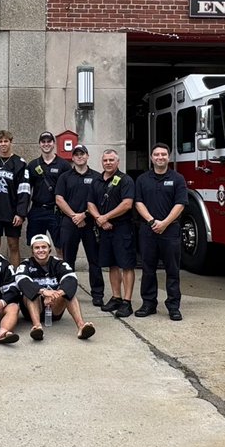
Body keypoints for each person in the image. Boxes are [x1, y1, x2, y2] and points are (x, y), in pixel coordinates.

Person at [134, 142, 188, 321]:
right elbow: (138, 202)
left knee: (172, 270)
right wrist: (151, 221)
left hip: (170, 230)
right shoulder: (142, 179)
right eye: (156, 155)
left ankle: (173, 306)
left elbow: (180, 204)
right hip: (148, 231)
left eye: (163, 155)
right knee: (148, 269)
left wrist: (165, 223)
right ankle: (148, 304)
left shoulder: (178, 178)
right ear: (151, 158)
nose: (160, 158)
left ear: (169, 157)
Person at [14, 234, 95, 340]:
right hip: (32, 309)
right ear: (32, 251)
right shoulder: (25, 264)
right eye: (37, 248)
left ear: (49, 249)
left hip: (54, 307)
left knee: (70, 295)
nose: (41, 250)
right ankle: (37, 327)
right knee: (29, 295)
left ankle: (81, 326)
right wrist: (42, 291)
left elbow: (71, 279)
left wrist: (57, 294)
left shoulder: (59, 263)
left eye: (44, 247)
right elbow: (21, 281)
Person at [88, 148, 137, 317]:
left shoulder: (126, 180)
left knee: (127, 265)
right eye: (105, 160)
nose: (108, 163)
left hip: (122, 228)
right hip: (104, 229)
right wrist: (99, 218)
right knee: (112, 265)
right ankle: (116, 297)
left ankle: (127, 301)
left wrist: (105, 217)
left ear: (118, 162)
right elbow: (90, 203)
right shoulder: (96, 181)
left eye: (111, 160)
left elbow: (127, 204)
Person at [55, 144, 104, 307]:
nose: (79, 157)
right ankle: (68, 291)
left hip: (90, 223)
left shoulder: (98, 177)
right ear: (72, 157)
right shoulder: (65, 176)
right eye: (76, 154)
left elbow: (99, 201)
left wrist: (84, 215)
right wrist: (74, 216)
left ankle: (97, 294)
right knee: (68, 260)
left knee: (94, 259)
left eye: (82, 154)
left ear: (87, 156)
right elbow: (59, 199)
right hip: (69, 223)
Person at [0, 129, 30, 268]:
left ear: (11, 142)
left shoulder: (19, 163)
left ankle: (16, 276)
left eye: (6, 141)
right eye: (0, 141)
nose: (3, 144)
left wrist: (20, 213)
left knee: (13, 245)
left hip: (12, 212)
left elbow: (24, 190)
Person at [26, 131, 71, 247]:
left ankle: (61, 265)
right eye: (43, 142)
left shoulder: (64, 165)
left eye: (49, 141)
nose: (46, 144)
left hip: (56, 211)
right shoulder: (32, 165)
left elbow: (69, 190)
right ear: (39, 144)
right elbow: (26, 190)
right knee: (36, 244)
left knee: (60, 246)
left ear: (54, 143)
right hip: (37, 210)